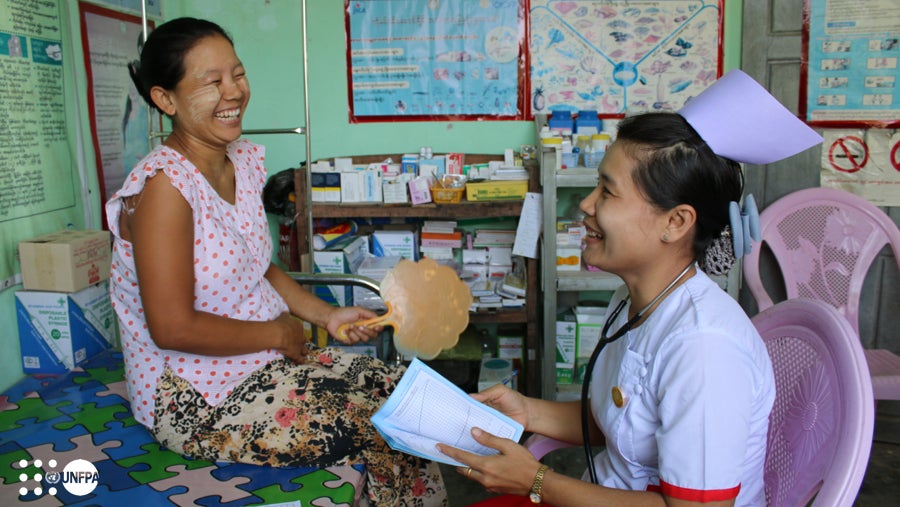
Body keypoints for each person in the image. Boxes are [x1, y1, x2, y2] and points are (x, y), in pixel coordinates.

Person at [438, 71, 823, 506]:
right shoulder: (634, 298)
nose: (586, 205)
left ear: (675, 222)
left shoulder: (704, 348)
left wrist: (536, 481)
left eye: (607, 191)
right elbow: (622, 423)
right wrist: (528, 411)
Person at [105, 17, 446, 506]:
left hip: (261, 361)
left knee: (401, 390)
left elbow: (256, 265)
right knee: (387, 420)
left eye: (237, 74)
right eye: (211, 82)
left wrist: (324, 315)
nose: (233, 92)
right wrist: (278, 333)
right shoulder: (164, 190)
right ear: (166, 99)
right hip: (198, 398)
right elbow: (172, 327)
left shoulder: (236, 159)